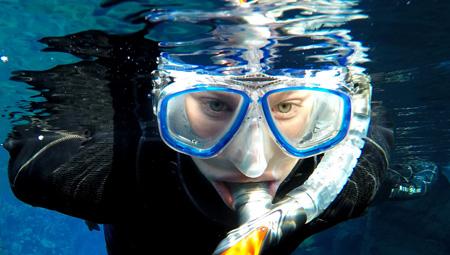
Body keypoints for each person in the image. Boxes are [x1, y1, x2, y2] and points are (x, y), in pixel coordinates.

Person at [1, 1, 437, 254]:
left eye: (287, 106)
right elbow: (32, 162)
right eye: (214, 105)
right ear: (160, 103)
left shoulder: (348, 178)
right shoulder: (100, 181)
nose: (252, 163)